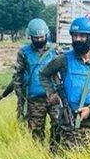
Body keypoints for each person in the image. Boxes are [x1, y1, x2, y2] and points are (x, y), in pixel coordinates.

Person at [38, 16, 90, 152]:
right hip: (68, 120)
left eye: (82, 36)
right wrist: (52, 93)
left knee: (88, 157)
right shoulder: (63, 60)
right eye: (75, 36)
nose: (77, 39)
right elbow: (44, 74)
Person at [12, 18, 60, 146]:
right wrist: (21, 98)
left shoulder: (55, 51)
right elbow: (18, 76)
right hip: (34, 98)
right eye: (36, 38)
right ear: (31, 37)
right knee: (36, 130)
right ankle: (38, 153)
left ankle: (54, 150)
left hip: (54, 96)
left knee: (58, 125)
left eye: (42, 37)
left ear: (46, 35)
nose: (39, 40)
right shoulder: (24, 52)